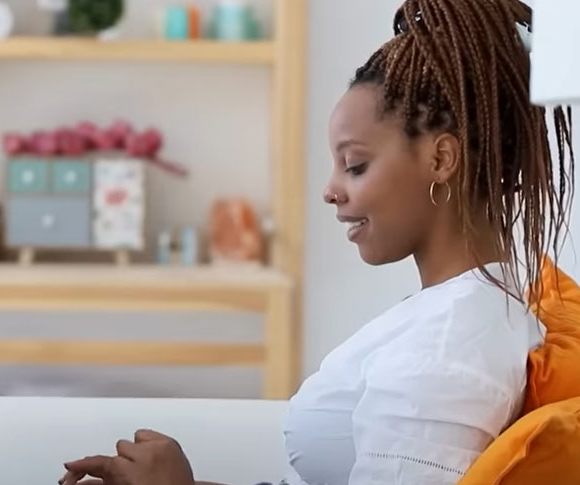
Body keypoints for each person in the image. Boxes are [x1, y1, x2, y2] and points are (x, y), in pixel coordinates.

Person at [58, 0, 575, 483]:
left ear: (441, 159)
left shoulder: (447, 348)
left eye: (355, 165)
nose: (330, 190)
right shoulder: (468, 308)